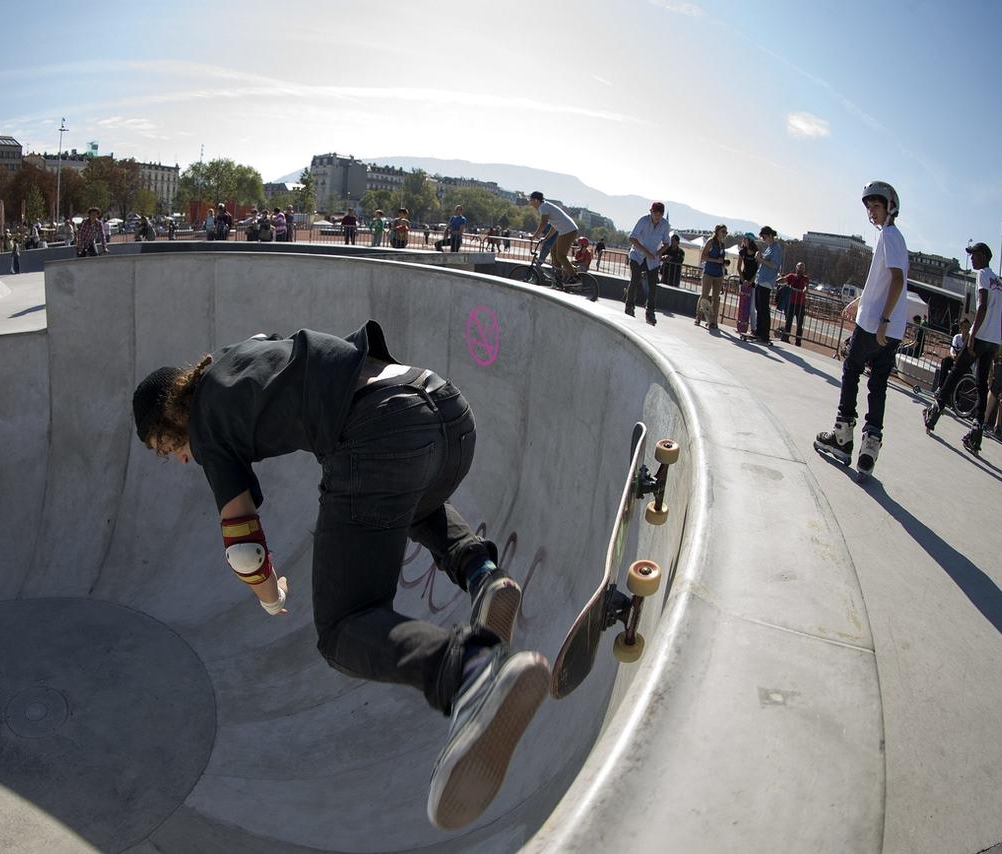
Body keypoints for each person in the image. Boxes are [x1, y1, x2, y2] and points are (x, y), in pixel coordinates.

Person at [131, 320, 546, 830]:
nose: (177, 457)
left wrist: (268, 594)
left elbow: (242, 546)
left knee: (342, 627)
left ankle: (473, 671)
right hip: (444, 409)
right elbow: (280, 350)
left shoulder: (204, 421)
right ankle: (481, 572)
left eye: (166, 447)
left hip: (379, 432)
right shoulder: (237, 356)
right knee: (403, 500)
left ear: (174, 416)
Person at [814, 181, 908, 478]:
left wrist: (882, 320)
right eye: (869, 207)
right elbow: (882, 282)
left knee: (851, 371)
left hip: (875, 326)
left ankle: (842, 436)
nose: (871, 212)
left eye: (876, 206)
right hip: (889, 330)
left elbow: (897, 280)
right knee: (878, 383)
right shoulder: (895, 238)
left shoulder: (889, 236)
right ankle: (870, 448)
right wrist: (860, 300)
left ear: (890, 207)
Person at [924, 242, 1002, 452]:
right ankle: (976, 432)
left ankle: (935, 411)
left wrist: (971, 336)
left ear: (985, 256)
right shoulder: (999, 282)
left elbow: (983, 305)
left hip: (981, 337)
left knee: (957, 370)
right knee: (981, 384)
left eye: (975, 255)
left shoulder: (983, 276)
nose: (972, 258)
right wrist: (997, 343)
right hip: (992, 340)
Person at [626, 201, 670, 325]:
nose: (657, 218)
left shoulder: (665, 225)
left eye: (660, 216)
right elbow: (632, 238)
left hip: (653, 260)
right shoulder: (643, 221)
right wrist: (645, 251)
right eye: (655, 215)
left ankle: (650, 312)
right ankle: (630, 306)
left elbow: (667, 243)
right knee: (635, 280)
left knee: (653, 286)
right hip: (637, 256)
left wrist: (659, 252)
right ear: (651, 212)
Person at [527, 191, 578, 284]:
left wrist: (534, 236)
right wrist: (546, 238)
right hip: (565, 231)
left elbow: (543, 223)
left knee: (561, 256)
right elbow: (554, 226)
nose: (530, 203)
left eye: (531, 201)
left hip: (568, 231)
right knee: (553, 252)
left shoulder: (543, 207)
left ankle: (574, 277)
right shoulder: (545, 206)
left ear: (536, 200)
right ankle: (559, 277)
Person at [752, 226, 783, 343]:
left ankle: (764, 334)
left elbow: (774, 265)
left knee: (764, 308)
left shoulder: (777, 248)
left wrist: (761, 260)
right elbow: (765, 260)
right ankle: (759, 332)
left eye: (764, 237)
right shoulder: (769, 248)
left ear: (770, 235)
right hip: (760, 279)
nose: (763, 239)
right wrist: (760, 257)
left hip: (767, 281)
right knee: (758, 307)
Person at [698, 226, 728, 332]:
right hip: (709, 272)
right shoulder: (711, 242)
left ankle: (713, 321)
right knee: (705, 296)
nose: (725, 234)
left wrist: (724, 263)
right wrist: (715, 260)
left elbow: (721, 259)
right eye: (723, 231)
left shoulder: (723, 245)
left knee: (716, 298)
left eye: (726, 232)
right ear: (717, 232)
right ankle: (698, 317)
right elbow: (703, 257)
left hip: (719, 274)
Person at [776, 262, 809, 345]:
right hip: (791, 302)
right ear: (796, 268)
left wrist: (804, 290)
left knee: (799, 324)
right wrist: (778, 280)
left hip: (801, 304)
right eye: (799, 267)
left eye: (802, 267)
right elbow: (783, 280)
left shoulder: (805, 278)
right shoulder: (791, 276)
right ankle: (785, 337)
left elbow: (806, 286)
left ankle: (798, 342)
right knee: (789, 321)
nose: (800, 269)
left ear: (804, 269)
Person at [934, 318, 971, 391]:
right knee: (946, 361)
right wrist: (953, 355)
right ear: (961, 328)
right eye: (965, 327)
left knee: (962, 373)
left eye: (969, 327)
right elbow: (952, 349)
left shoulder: (970, 339)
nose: (967, 330)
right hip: (956, 360)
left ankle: (957, 396)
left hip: (964, 363)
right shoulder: (957, 337)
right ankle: (940, 387)